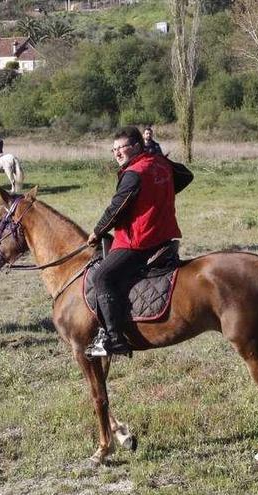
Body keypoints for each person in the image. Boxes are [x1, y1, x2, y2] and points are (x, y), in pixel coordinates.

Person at [84, 126, 193, 359]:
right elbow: (186, 175)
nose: (116, 153)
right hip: (164, 237)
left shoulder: (134, 173)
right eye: (113, 149)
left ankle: (114, 339)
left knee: (102, 276)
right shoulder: (160, 163)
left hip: (139, 242)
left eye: (121, 148)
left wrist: (97, 231)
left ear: (135, 146)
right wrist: (159, 196)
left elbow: (116, 209)